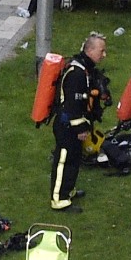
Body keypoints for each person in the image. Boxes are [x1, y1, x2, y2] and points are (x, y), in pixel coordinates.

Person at [50, 32, 109, 213]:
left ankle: (68, 190)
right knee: (64, 161)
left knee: (74, 160)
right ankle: (59, 199)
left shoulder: (85, 69)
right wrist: (81, 128)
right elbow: (72, 105)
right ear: (90, 50)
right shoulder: (77, 74)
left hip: (72, 124)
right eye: (102, 51)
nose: (104, 55)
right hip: (68, 125)